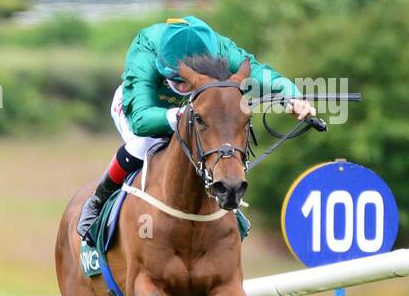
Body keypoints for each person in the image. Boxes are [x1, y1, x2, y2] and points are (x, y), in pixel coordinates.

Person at [76, 15, 319, 243]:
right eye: (177, 80)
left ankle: (226, 204)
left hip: (199, 105)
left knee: (214, 146)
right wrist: (182, 115)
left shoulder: (220, 49)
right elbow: (140, 119)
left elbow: (259, 74)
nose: (183, 87)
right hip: (142, 108)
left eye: (188, 80)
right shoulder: (145, 51)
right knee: (144, 145)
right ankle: (98, 201)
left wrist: (291, 96)